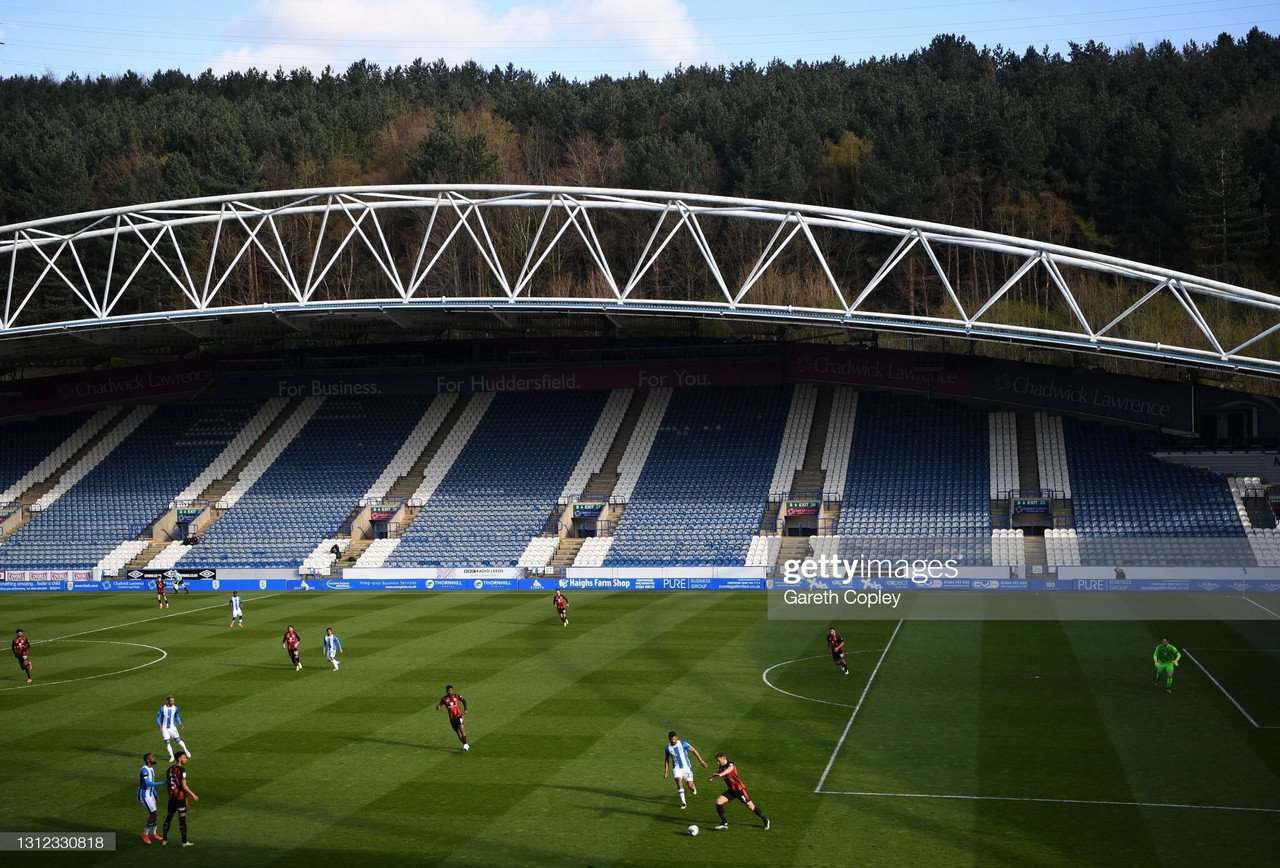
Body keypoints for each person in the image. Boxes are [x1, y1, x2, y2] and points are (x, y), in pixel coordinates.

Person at [708, 752, 770, 831]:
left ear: (724, 758)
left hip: (740, 789)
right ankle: (724, 824)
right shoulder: (721, 766)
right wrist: (713, 776)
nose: (717, 762)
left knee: (751, 807)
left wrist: (721, 774)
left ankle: (765, 820)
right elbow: (719, 771)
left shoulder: (731, 764)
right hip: (731, 790)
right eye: (717, 761)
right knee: (718, 802)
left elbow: (729, 769)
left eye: (719, 760)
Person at [663, 730, 708, 809]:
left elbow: (694, 750)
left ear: (676, 737)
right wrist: (666, 771)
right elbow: (667, 760)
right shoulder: (668, 748)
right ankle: (683, 802)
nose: (673, 741)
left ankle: (693, 787)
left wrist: (701, 761)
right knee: (679, 783)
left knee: (690, 785)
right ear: (669, 739)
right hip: (676, 768)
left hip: (686, 768)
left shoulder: (683, 743)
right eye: (671, 739)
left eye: (674, 739)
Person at [161, 751, 198, 847]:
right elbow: (184, 786)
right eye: (184, 758)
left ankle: (164, 840)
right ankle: (184, 842)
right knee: (182, 820)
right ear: (179, 758)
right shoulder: (182, 770)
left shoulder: (169, 769)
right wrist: (193, 795)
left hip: (172, 797)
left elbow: (168, 783)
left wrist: (170, 794)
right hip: (180, 798)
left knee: (168, 818)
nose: (186, 759)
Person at [137, 752, 167, 844]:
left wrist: (155, 794)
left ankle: (154, 833)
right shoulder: (144, 770)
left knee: (155, 814)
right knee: (153, 813)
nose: (154, 758)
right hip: (144, 795)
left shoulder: (151, 769)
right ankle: (145, 834)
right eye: (152, 757)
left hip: (150, 794)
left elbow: (152, 784)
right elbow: (147, 784)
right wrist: (162, 783)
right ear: (148, 759)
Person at [156, 694, 193, 761]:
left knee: (178, 740)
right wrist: (160, 725)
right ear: (167, 701)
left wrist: (180, 723)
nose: (173, 702)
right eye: (171, 701)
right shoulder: (162, 708)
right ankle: (172, 756)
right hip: (164, 728)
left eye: (173, 701)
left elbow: (177, 716)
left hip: (172, 727)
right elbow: (158, 718)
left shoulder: (175, 708)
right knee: (167, 742)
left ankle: (186, 750)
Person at [435, 684, 469, 751]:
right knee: (458, 733)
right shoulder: (444, 699)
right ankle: (465, 744)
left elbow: (464, 700)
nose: (450, 691)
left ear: (452, 690)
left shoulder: (456, 696)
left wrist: (465, 708)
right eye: (449, 690)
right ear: (446, 691)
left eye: (451, 690)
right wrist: (438, 707)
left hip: (459, 715)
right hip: (452, 718)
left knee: (462, 730)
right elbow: (439, 705)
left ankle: (465, 745)